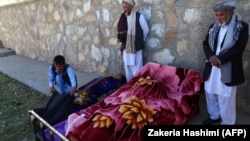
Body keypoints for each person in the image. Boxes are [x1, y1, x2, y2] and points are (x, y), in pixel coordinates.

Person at [202, 1, 249, 125]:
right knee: (210, 92)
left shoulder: (241, 27)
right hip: (212, 66)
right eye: (217, 15)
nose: (219, 17)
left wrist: (220, 59)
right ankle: (214, 115)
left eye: (222, 14)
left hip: (229, 66)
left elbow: (239, 48)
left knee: (225, 96)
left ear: (230, 12)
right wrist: (211, 57)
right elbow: (205, 43)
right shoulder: (214, 27)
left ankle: (228, 123)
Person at [117, 0, 149, 82]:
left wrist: (140, 40)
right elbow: (121, 34)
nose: (124, 7)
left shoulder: (139, 16)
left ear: (131, 6)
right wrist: (121, 43)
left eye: (126, 5)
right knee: (128, 69)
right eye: (123, 6)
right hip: (126, 48)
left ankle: (137, 88)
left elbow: (146, 30)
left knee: (137, 69)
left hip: (136, 47)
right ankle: (129, 87)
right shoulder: (122, 18)